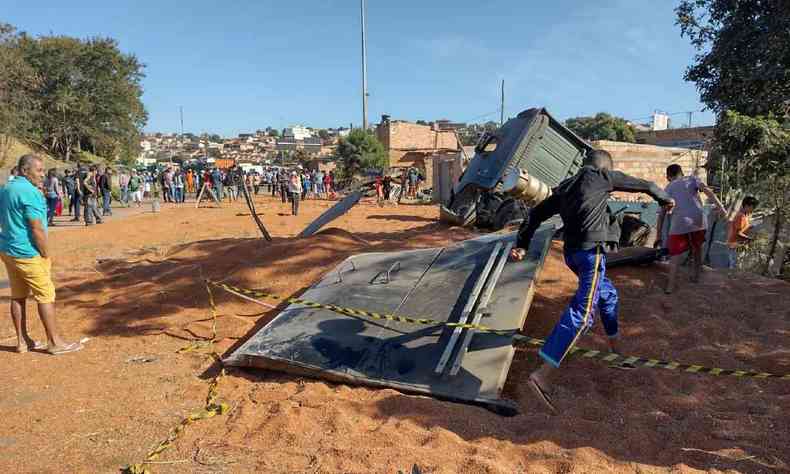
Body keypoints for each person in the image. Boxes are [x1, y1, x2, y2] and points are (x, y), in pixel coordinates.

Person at [511, 150, 673, 413]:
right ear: (604, 168)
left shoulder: (565, 187)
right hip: (590, 255)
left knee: (608, 296)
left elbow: (535, 215)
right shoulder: (601, 177)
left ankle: (617, 354)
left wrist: (521, 244)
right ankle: (542, 375)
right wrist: (665, 199)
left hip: (572, 255)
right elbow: (646, 185)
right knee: (584, 314)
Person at [0, 154, 83, 354]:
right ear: (24, 170)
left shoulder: (6, 188)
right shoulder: (30, 192)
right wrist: (45, 253)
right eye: (38, 170)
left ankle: (22, 341)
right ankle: (54, 342)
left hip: (8, 249)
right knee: (45, 294)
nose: (42, 175)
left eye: (43, 170)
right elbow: (36, 227)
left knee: (18, 295)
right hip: (28, 252)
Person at [654, 165, 726, 293]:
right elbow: (707, 190)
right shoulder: (692, 179)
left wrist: (658, 235)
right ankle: (696, 276)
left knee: (675, 255)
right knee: (697, 248)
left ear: (668, 177)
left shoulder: (668, 188)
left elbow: (661, 215)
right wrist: (721, 207)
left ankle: (670, 287)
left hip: (680, 223)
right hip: (698, 220)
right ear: (681, 173)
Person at [726, 196, 759, 269]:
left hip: (738, 244)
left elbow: (742, 229)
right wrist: (749, 239)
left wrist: (749, 227)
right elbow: (738, 233)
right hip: (735, 244)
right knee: (735, 266)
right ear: (747, 206)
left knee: (736, 265)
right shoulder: (741, 217)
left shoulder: (745, 216)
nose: (753, 210)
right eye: (753, 207)